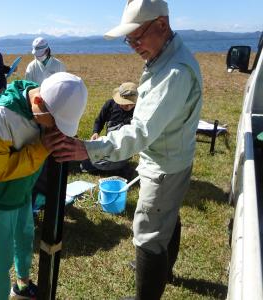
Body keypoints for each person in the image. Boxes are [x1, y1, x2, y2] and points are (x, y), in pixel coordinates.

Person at [43, 0, 203, 299]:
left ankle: (148, 289)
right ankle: (161, 272)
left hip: (165, 166)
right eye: (129, 39)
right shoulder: (165, 57)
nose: (133, 44)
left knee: (148, 235)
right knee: (168, 217)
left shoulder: (174, 73)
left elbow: (140, 132)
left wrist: (88, 149)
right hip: (171, 156)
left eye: (137, 36)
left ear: (162, 25)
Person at [0, 72, 87, 300]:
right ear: (37, 103)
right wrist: (42, 147)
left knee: (24, 242)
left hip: (24, 193)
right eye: (54, 122)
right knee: (1, 257)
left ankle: (23, 285)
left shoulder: (45, 101)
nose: (54, 128)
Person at [80, 82, 137, 178]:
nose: (127, 107)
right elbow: (99, 120)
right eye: (124, 104)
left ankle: (117, 166)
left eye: (130, 104)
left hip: (125, 149)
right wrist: (96, 132)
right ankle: (114, 167)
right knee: (89, 160)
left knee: (95, 163)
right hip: (109, 145)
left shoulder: (138, 111)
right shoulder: (110, 105)